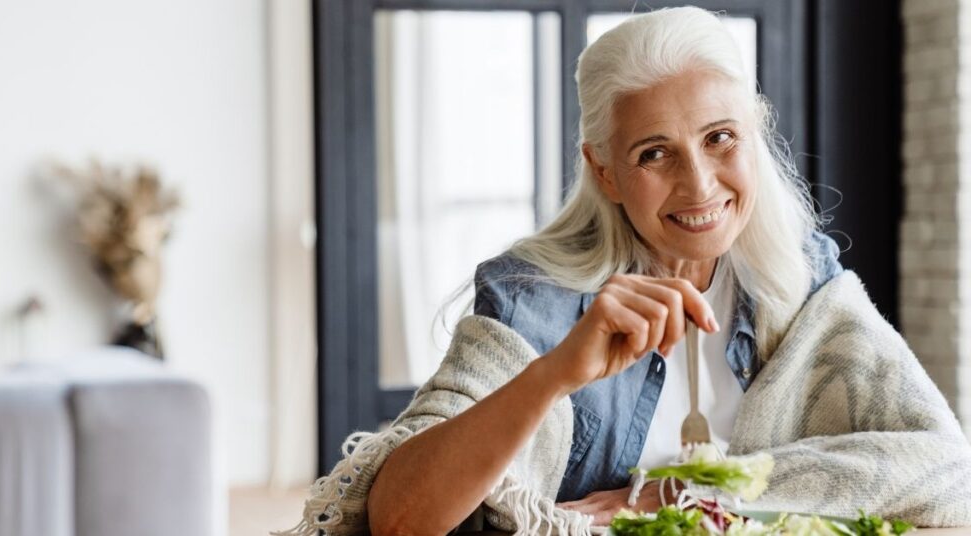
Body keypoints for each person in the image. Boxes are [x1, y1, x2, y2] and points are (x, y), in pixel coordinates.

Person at [282, 7, 971, 536]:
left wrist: (687, 494)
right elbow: (400, 519)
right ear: (604, 172)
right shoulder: (533, 300)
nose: (699, 184)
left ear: (754, 133)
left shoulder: (801, 281)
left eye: (719, 138)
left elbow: (946, 465)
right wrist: (554, 376)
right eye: (654, 154)